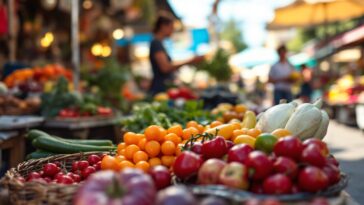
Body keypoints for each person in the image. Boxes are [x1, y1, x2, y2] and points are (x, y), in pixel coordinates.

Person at [149, 13, 204, 95]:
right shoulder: (156, 43)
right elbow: (165, 67)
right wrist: (189, 61)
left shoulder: (159, 43)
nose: (172, 30)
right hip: (160, 90)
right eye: (171, 27)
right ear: (163, 26)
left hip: (163, 89)